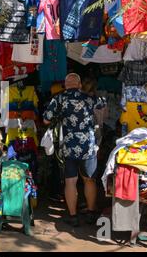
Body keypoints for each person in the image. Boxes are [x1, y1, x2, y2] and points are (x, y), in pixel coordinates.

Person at [43, 73, 106, 227]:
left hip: (69, 145)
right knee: (89, 179)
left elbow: (46, 119)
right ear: (79, 85)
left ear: (65, 85)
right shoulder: (88, 98)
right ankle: (91, 213)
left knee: (70, 181)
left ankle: (73, 216)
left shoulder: (58, 99)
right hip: (88, 146)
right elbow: (102, 103)